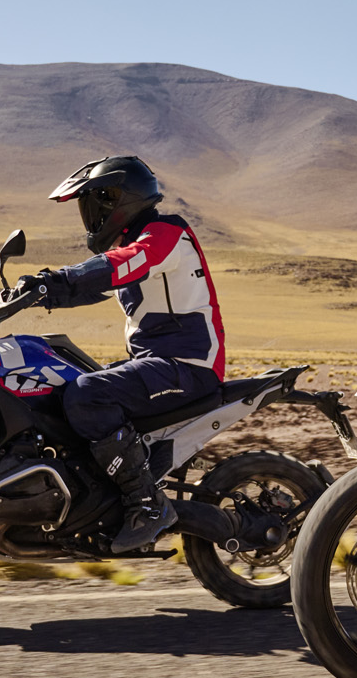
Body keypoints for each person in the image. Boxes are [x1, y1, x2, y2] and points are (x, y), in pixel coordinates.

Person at [18, 155, 225, 553]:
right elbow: (97, 284)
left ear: (119, 201)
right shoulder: (136, 244)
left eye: (95, 204)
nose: (89, 217)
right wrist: (31, 295)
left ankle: (147, 506)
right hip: (158, 366)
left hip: (188, 367)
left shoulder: (165, 234)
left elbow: (123, 265)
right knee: (59, 388)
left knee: (88, 395)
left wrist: (56, 280)